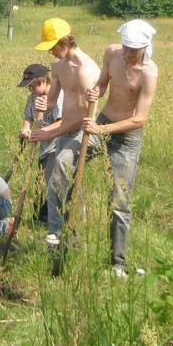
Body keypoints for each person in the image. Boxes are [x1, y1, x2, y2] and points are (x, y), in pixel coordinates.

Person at [82, 19, 159, 277]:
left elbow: (140, 119)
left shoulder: (149, 73)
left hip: (127, 137)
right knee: (66, 163)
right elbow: (102, 83)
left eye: (133, 50)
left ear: (145, 47)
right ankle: (67, 231)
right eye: (125, 46)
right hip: (102, 121)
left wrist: (101, 131)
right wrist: (95, 92)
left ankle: (118, 263)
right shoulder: (112, 53)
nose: (127, 53)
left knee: (119, 200)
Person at [27, 19, 100, 263]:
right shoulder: (57, 65)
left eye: (53, 46)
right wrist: (44, 104)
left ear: (64, 41)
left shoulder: (85, 71)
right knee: (63, 186)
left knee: (59, 173)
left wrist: (51, 133)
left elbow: (85, 116)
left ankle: (60, 236)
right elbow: (52, 100)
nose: (50, 51)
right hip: (63, 131)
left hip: (82, 132)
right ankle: (66, 237)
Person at [16, 63, 61, 220]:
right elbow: (28, 117)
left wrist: (42, 132)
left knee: (50, 182)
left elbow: (62, 122)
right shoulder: (32, 98)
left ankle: (51, 218)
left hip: (57, 145)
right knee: (40, 181)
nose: (30, 90)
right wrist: (25, 129)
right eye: (28, 87)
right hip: (43, 146)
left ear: (43, 81)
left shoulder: (58, 96)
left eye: (32, 86)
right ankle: (40, 218)